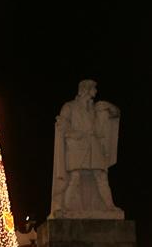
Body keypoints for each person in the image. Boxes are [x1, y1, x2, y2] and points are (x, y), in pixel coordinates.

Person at [50, 79, 122, 218]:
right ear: (86, 90)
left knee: (101, 176)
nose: (95, 91)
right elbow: (62, 124)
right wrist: (73, 134)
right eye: (94, 88)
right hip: (77, 146)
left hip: (93, 145)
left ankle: (110, 206)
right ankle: (65, 208)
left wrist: (108, 106)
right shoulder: (70, 106)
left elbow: (115, 113)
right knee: (75, 177)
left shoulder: (96, 108)